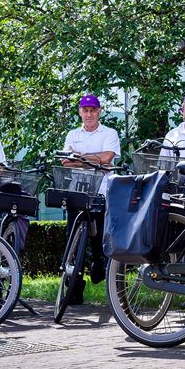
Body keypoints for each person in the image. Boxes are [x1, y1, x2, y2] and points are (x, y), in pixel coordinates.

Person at [61, 94, 121, 304]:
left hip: (103, 193)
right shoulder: (72, 134)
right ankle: (74, 289)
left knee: (101, 241)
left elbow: (106, 161)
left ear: (99, 112)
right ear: (80, 112)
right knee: (73, 242)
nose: (89, 114)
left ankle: (105, 277)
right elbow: (65, 163)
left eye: (93, 110)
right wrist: (94, 160)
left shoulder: (110, 133)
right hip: (76, 192)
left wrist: (79, 157)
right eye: (85, 110)